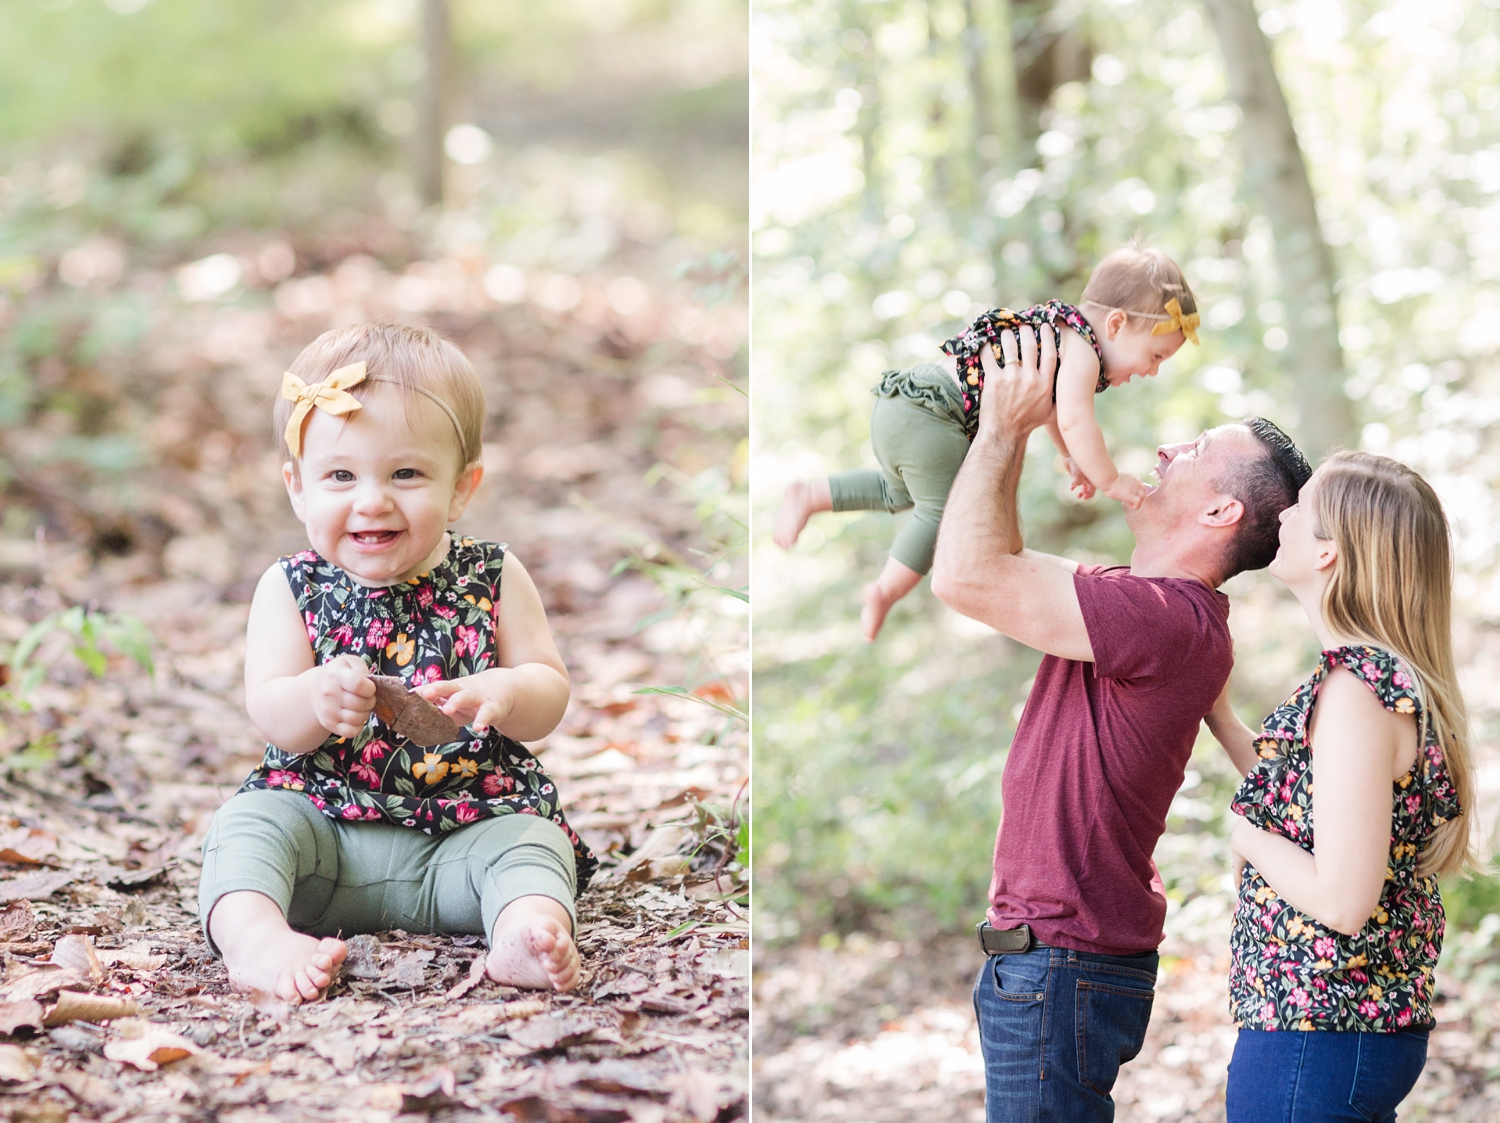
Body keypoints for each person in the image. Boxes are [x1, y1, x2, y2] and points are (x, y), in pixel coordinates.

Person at [928, 325, 1310, 1121]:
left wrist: (1003, 427)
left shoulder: (1163, 619)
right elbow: (997, 556)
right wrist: (1027, 425)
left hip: (1060, 964)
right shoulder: (1146, 605)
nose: (1168, 446)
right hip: (1054, 964)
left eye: (1196, 446)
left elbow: (964, 575)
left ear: (1220, 507)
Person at [197, 323, 595, 1005]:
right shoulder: (291, 587)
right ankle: (258, 939)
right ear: (298, 487)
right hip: (323, 839)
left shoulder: (493, 575)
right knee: (247, 826)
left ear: (463, 487)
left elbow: (550, 690)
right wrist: (315, 699)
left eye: (405, 473)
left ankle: (524, 929)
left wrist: (507, 689)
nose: (372, 499)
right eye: (341, 475)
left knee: (532, 843)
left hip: (464, 837)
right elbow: (269, 707)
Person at [1203, 452, 1473, 1122]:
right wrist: (1219, 713)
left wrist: (1244, 834)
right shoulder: (1374, 681)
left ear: (1330, 553)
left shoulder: (1357, 691)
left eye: (1304, 505)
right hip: (1339, 1033)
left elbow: (1342, 900)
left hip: (1318, 1035)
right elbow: (1317, 807)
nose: (1284, 510)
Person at [775, 243, 1200, 640]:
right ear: (1117, 324)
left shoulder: (1061, 331)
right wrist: (1110, 479)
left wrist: (1072, 458)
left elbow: (1054, 412)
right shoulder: (1084, 349)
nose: (1153, 371)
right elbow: (1075, 418)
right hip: (936, 415)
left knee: (896, 492)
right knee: (944, 516)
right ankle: (884, 590)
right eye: (1156, 356)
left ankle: (812, 494)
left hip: (903, 405)